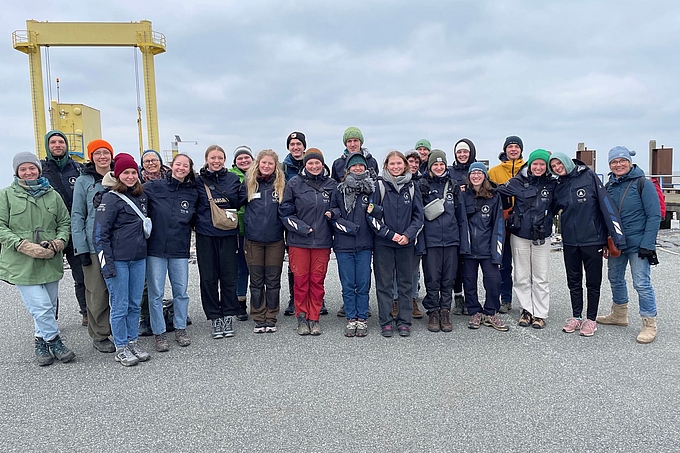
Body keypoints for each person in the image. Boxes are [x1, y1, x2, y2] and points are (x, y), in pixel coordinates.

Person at [0, 152, 74, 366]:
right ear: (16, 172)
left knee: (48, 307)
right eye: (23, 169)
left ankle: (40, 342)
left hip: (49, 259)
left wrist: (60, 242)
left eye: (32, 168)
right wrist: (21, 244)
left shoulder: (52, 195)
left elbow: (64, 222)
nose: (28, 172)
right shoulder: (6, 196)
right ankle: (55, 340)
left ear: (39, 170)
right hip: (21, 263)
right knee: (40, 307)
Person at [549, 151, 626, 337]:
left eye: (559, 164)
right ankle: (576, 316)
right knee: (573, 281)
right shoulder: (558, 184)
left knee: (593, 282)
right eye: (553, 167)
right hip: (570, 241)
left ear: (567, 162)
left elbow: (605, 205)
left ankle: (590, 319)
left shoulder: (588, 176)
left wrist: (617, 237)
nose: (557, 168)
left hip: (592, 240)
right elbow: (549, 209)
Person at [597, 146, 661, 344]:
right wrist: (605, 241)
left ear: (629, 162)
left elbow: (654, 215)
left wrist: (648, 244)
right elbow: (605, 216)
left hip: (639, 242)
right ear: (609, 165)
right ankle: (619, 314)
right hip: (617, 242)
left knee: (641, 282)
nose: (618, 165)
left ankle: (649, 323)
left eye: (621, 161)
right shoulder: (609, 186)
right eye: (614, 162)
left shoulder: (643, 184)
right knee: (615, 278)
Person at [94, 153, 150, 366]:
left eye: (133, 172)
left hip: (138, 258)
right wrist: (106, 265)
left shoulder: (141, 196)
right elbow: (100, 234)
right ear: (117, 175)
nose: (130, 176)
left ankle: (132, 340)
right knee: (120, 304)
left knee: (135, 303)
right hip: (117, 260)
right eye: (125, 172)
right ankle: (121, 346)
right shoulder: (109, 198)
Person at [144, 153, 198, 350]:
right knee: (156, 293)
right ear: (171, 166)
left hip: (179, 248)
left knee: (181, 292)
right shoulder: (154, 186)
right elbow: (133, 195)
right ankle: (159, 332)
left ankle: (180, 327)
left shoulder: (193, 192)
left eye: (185, 165)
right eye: (178, 164)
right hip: (156, 249)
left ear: (190, 169)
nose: (181, 168)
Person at [279, 148, 336, 336]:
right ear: (305, 164)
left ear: (322, 163)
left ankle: (315, 316)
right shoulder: (294, 183)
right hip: (299, 241)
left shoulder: (331, 184)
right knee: (301, 281)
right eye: (310, 163)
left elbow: (338, 209)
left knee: (317, 281)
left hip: (322, 241)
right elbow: (285, 211)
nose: (314, 166)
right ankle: (302, 316)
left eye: (317, 162)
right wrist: (302, 228)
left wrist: (333, 213)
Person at [367, 150, 424, 338]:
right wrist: (390, 235)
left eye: (399, 163)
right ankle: (386, 321)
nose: (396, 167)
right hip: (383, 243)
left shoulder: (412, 186)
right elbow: (371, 216)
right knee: (384, 285)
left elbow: (419, 217)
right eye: (392, 164)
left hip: (406, 244)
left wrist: (407, 235)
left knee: (406, 284)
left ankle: (404, 321)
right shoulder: (379, 186)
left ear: (405, 165)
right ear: (386, 166)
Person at [497, 149, 555, 329]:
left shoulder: (553, 184)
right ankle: (526, 310)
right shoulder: (517, 181)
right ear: (529, 164)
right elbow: (497, 192)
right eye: (535, 164)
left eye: (542, 164)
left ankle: (540, 313)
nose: (538, 167)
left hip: (541, 235)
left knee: (540, 276)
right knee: (521, 275)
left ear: (546, 167)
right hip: (520, 234)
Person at [195, 145, 247, 339]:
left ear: (225, 160)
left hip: (227, 233)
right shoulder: (198, 180)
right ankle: (214, 316)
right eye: (212, 158)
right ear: (206, 159)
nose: (216, 161)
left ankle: (228, 314)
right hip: (205, 233)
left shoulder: (233, 179)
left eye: (220, 158)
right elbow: (194, 203)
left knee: (229, 276)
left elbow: (239, 200)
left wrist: (222, 205)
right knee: (208, 277)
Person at [71, 139, 116, 353]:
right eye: (97, 153)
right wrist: (80, 248)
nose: (102, 157)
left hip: (118, 244)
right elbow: (78, 215)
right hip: (93, 244)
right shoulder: (84, 181)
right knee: (97, 291)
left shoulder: (119, 176)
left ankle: (119, 327)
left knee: (118, 290)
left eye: (106, 152)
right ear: (91, 156)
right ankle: (100, 334)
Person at [418, 150, 469, 333]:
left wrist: (463, 243)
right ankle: (433, 311)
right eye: (435, 164)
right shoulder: (422, 185)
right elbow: (419, 217)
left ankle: (445, 311)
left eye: (441, 164)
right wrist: (421, 244)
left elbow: (461, 216)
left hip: (451, 239)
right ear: (430, 166)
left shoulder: (453, 186)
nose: (438, 167)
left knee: (448, 278)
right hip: (431, 241)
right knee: (432, 277)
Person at [41, 130, 86, 325]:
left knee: (82, 275)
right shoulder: (40, 170)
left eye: (61, 142)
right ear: (47, 146)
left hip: (75, 230)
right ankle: (51, 318)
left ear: (66, 145)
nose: (57, 145)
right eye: (53, 142)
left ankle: (87, 313)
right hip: (51, 232)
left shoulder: (78, 169)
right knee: (49, 279)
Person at [329, 153, 375, 337]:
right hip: (344, 244)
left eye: (361, 166)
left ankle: (362, 318)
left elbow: (378, 211)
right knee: (348, 284)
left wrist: (375, 210)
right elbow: (333, 213)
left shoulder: (371, 188)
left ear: (365, 168)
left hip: (365, 244)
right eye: (354, 166)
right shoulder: (339, 189)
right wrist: (347, 226)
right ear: (348, 168)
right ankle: (351, 318)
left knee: (363, 283)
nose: (358, 169)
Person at [243, 149, 286, 333]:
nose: (267, 166)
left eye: (270, 163)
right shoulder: (249, 184)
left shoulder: (281, 185)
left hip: (275, 240)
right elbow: (233, 201)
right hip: (253, 240)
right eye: (264, 163)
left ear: (276, 166)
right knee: (256, 280)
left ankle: (271, 315)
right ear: (257, 164)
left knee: (273, 280)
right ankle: (259, 316)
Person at [462, 162, 508, 331]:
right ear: (469, 176)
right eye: (473, 173)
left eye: (479, 173)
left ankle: (490, 312)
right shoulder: (462, 195)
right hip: (468, 248)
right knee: (469, 282)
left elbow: (498, 224)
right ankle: (474, 311)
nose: (476, 176)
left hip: (487, 248)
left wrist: (497, 251)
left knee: (494, 280)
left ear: (485, 176)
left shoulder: (494, 196)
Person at [488, 136, 526, 314]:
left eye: (516, 147)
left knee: (524, 265)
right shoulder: (494, 172)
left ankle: (527, 301)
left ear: (520, 150)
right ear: (505, 149)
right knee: (503, 264)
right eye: (510, 147)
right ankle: (506, 298)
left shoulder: (527, 170)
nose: (513, 150)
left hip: (523, 224)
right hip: (502, 222)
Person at [449, 138, 478, 315]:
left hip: (474, 222)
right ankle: (457, 296)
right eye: (459, 152)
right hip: (454, 222)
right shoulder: (449, 172)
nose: (462, 155)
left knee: (470, 264)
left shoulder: (477, 171)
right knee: (456, 264)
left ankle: (470, 297)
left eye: (465, 152)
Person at [229, 145, 254, 321]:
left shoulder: (258, 175)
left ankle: (259, 303)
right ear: (235, 161)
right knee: (240, 269)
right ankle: (240, 302)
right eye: (240, 158)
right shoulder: (230, 177)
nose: (244, 160)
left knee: (257, 269)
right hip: (236, 230)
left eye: (247, 158)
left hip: (255, 229)